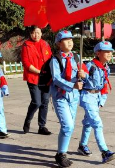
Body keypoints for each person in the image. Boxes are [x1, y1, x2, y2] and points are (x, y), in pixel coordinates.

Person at [77, 41, 115, 163]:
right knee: (97, 123)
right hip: (88, 96)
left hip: (96, 97)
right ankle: (104, 152)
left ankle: (82, 145)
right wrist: (82, 76)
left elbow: (104, 85)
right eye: (107, 52)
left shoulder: (106, 68)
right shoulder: (90, 66)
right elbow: (81, 82)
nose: (110, 54)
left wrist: (102, 101)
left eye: (111, 51)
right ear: (98, 53)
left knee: (89, 122)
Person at [50, 30, 86, 168]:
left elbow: (83, 75)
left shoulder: (76, 57)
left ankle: (61, 152)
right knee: (67, 125)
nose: (70, 41)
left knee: (69, 127)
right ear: (59, 43)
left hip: (73, 97)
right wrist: (73, 85)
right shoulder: (56, 59)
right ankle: (61, 154)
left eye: (71, 39)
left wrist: (83, 74)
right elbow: (56, 79)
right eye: (66, 40)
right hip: (60, 96)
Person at [21, 26, 52, 135]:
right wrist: (38, 71)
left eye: (38, 32)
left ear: (41, 33)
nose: (36, 35)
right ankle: (28, 121)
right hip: (33, 77)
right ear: (30, 34)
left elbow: (50, 59)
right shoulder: (26, 45)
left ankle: (42, 126)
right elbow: (26, 62)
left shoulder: (45, 44)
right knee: (36, 102)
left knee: (45, 101)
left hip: (46, 77)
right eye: (34, 33)